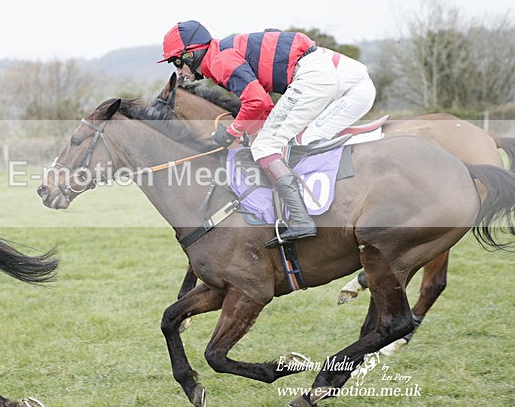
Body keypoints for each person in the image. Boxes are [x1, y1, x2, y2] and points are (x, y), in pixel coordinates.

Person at [158, 20, 376, 248]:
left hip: (316, 74)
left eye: (176, 61)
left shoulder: (220, 60)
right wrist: (246, 129)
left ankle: (302, 219)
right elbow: (265, 110)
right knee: (278, 140)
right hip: (331, 72)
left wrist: (231, 132)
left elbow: (257, 101)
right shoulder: (220, 55)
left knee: (265, 146)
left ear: (191, 55)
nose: (178, 71)